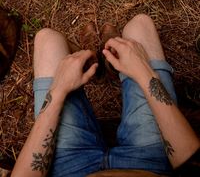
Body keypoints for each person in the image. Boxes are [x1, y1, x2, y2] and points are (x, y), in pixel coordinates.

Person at [11, 14, 200, 177]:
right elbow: (191, 159)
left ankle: (87, 59)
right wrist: (144, 72)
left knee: (48, 40)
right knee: (140, 26)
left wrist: (58, 90)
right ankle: (106, 59)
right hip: (154, 163)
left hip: (70, 168)